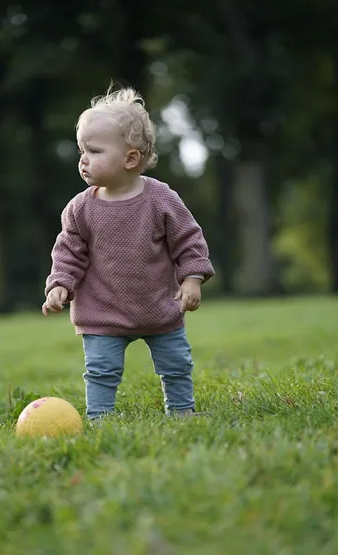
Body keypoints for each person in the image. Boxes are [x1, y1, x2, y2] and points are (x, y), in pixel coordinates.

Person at [42, 85, 215, 421]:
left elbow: (188, 239)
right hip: (102, 311)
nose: (83, 158)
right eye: (81, 150)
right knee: (101, 370)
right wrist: (60, 284)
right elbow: (68, 252)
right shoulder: (80, 208)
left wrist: (192, 278)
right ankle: (99, 418)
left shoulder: (160, 199)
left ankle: (181, 412)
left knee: (176, 364)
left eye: (94, 150)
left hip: (159, 307)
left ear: (130, 158)